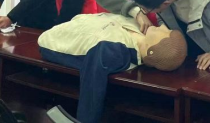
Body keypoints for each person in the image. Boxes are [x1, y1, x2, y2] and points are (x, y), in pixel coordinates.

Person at [38, 13, 187, 123]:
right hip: (73, 24)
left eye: (166, 33)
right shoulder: (142, 27)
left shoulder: (117, 51)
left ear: (151, 50)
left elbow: (95, 72)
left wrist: (87, 119)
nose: (163, 27)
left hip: (54, 41)